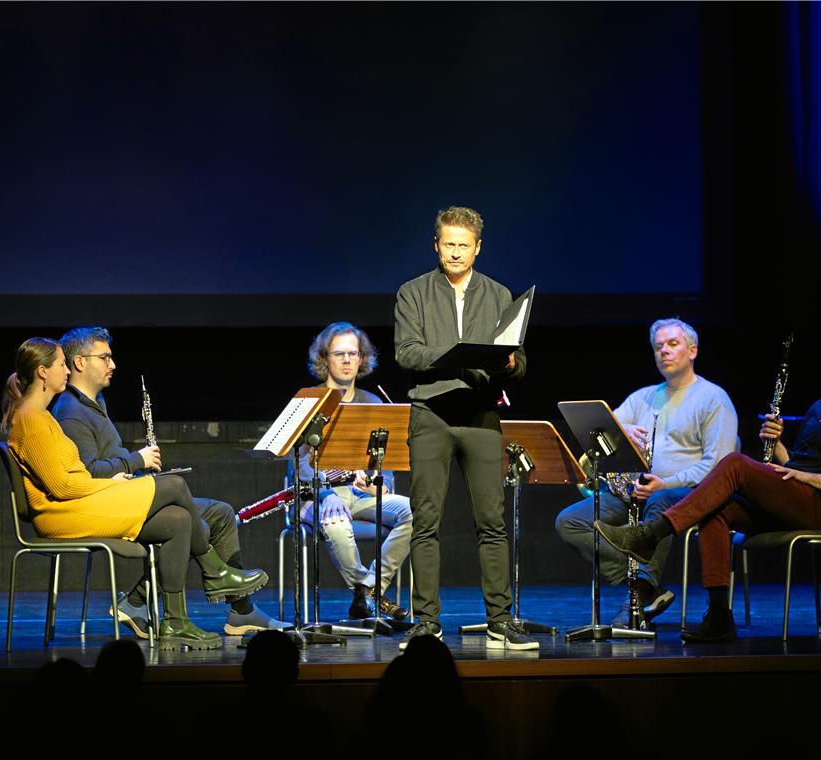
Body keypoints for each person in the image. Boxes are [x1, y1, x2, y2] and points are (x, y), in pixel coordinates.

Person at [596, 331, 821, 642]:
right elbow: (796, 468)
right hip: (798, 499)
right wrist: (778, 447)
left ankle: (650, 533)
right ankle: (720, 617)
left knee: (735, 462)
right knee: (716, 509)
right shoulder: (820, 407)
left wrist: (809, 479)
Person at [3, 337, 267, 650]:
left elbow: (72, 476)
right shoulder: (32, 420)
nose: (66, 371)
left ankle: (175, 621)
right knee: (174, 485)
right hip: (62, 514)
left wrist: (114, 482)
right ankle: (214, 571)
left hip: (79, 502)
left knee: (179, 518)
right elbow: (62, 487)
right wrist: (113, 484)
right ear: (43, 372)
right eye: (62, 365)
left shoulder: (42, 416)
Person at [393, 205, 535, 650]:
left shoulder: (497, 294)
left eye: (463, 245)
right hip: (431, 413)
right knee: (426, 522)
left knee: (492, 522)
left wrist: (511, 363)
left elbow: (520, 360)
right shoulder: (413, 292)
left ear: (477, 248)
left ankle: (499, 621)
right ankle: (426, 623)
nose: (455, 253)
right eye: (447, 244)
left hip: (480, 415)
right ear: (436, 245)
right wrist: (455, 355)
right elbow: (406, 352)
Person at [554, 318, 738, 627]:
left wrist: (666, 482)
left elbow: (719, 465)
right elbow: (601, 432)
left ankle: (637, 597)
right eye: (658, 347)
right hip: (635, 494)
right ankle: (644, 587)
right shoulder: (643, 397)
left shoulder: (713, 399)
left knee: (660, 501)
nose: (664, 351)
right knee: (569, 522)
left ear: (693, 351)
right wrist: (620, 430)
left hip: (681, 495)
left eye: (672, 344)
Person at [293, 321, 413, 621]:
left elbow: (386, 461)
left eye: (353, 353)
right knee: (335, 520)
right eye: (339, 354)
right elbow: (299, 465)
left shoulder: (372, 402)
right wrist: (327, 494)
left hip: (361, 495)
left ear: (362, 359)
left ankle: (369, 591)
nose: (346, 360)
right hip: (317, 497)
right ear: (325, 359)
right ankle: (369, 594)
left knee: (417, 511)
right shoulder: (308, 401)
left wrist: (382, 484)